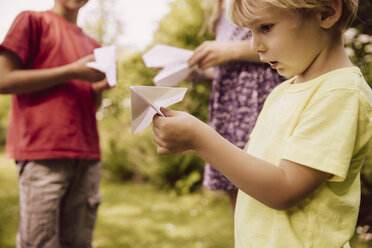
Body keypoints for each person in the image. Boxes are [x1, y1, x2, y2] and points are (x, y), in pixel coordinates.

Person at [152, 0, 372, 247]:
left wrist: (201, 139)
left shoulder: (340, 93)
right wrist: (192, 142)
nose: (254, 45)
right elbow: (251, 170)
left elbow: (285, 189)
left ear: (326, 12)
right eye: (250, 31)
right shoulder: (282, 92)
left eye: (265, 27)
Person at [0, 0, 111, 247]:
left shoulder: (93, 46)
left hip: (86, 156)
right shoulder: (32, 21)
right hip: (42, 153)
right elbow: (2, 78)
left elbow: (90, 106)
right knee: (40, 241)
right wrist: (72, 71)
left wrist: (97, 89)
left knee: (79, 241)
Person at [187, 0, 283, 211]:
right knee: (235, 186)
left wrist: (233, 50)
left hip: (257, 100)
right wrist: (198, 73)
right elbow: (227, 70)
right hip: (229, 108)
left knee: (259, 178)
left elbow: (281, 44)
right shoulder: (221, 6)